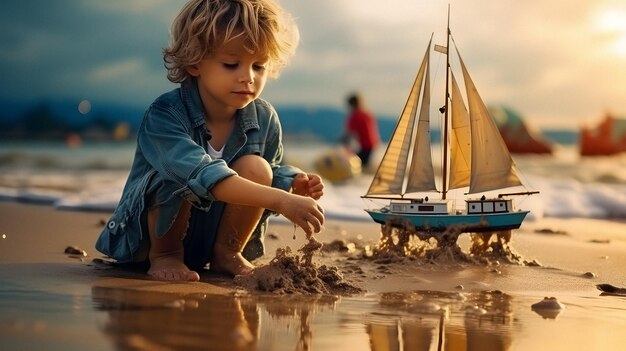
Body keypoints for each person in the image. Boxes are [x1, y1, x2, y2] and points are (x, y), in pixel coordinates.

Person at [95, 0, 325, 282]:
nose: (247, 77)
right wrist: (282, 200)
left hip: (210, 235)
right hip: (149, 242)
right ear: (194, 63)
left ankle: (226, 253)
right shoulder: (165, 115)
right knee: (177, 176)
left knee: (258, 167)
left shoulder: (263, 118)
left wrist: (293, 181)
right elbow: (199, 174)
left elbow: (271, 172)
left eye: (259, 66)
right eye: (231, 64)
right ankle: (166, 256)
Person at [344, 93, 380, 169]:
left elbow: (349, 134)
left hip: (365, 145)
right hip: (374, 144)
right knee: (364, 164)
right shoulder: (368, 114)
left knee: (358, 165)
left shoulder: (355, 116)